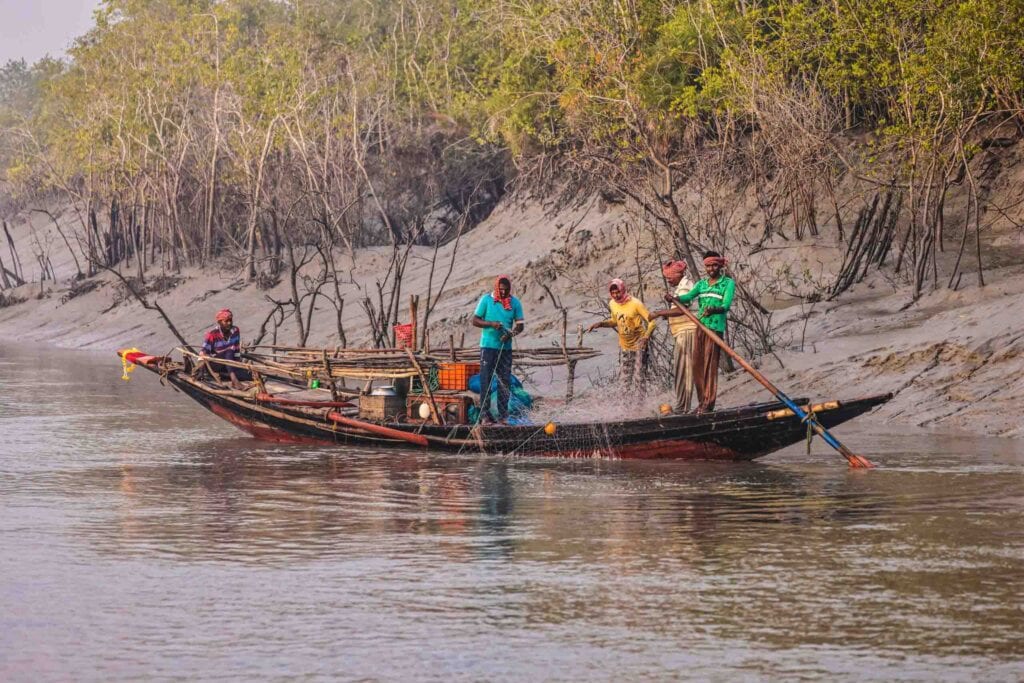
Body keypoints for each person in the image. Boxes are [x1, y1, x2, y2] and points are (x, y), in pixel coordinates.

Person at [668, 251, 735, 413]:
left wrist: (714, 309)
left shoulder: (727, 283)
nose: (711, 268)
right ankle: (701, 403)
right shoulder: (702, 284)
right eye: (707, 266)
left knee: (709, 367)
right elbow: (688, 297)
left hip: (714, 329)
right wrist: (674, 298)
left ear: (720, 266)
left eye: (714, 265)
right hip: (700, 327)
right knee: (697, 366)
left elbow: (725, 305)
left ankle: (708, 404)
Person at [472, 275, 525, 424]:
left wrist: (510, 335)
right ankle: (484, 416)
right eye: (501, 290)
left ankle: (503, 415)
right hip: (488, 347)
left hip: (505, 348)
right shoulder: (486, 300)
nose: (503, 293)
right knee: (486, 380)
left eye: (506, 290)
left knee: (504, 381)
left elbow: (520, 326)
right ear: (496, 288)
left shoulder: (515, 303)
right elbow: (475, 320)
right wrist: (490, 324)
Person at [587, 278, 657, 391]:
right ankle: (625, 406)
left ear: (623, 289)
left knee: (639, 378)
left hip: (640, 345)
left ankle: (640, 405)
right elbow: (615, 321)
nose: (616, 295)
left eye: (618, 292)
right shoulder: (612, 304)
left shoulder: (636, 304)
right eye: (613, 293)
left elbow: (652, 322)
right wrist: (600, 324)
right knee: (625, 379)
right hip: (625, 346)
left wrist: (646, 337)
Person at [650, 260, 697, 413]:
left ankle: (682, 408)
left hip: (687, 332)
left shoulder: (685, 286)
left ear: (678, 275)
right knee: (680, 370)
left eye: (670, 278)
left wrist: (659, 313)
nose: (668, 280)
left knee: (685, 370)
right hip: (681, 332)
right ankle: (682, 405)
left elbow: (681, 310)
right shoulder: (680, 287)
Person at [200, 308, 248, 389]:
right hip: (214, 365)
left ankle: (230, 374)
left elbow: (236, 350)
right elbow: (203, 353)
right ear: (219, 322)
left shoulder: (235, 331)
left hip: (228, 365)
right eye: (226, 321)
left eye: (230, 320)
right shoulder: (212, 334)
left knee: (249, 376)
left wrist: (238, 365)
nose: (229, 323)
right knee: (228, 351)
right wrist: (200, 370)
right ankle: (234, 380)